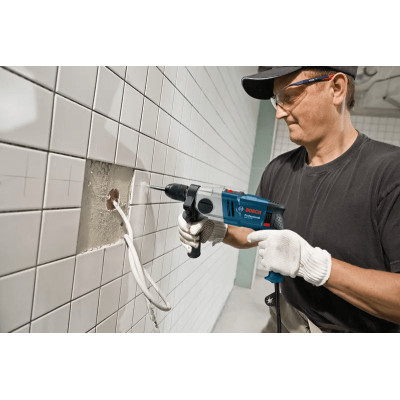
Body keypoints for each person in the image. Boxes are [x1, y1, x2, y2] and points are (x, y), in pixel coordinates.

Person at [178, 66, 400, 333]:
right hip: (285, 320)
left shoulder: (390, 173)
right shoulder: (279, 169)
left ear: (337, 89)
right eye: (277, 100)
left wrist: (317, 267)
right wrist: (217, 229)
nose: (279, 113)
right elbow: (252, 230)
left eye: (290, 96)